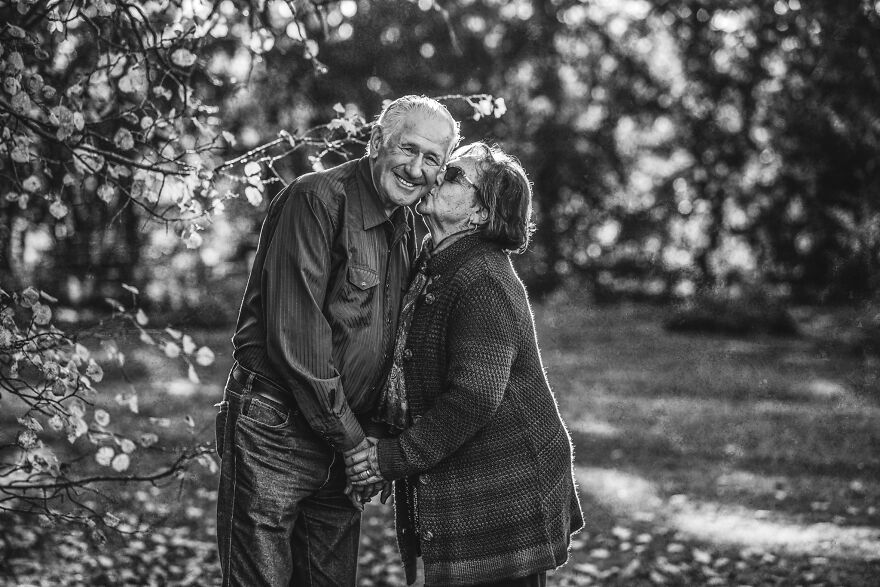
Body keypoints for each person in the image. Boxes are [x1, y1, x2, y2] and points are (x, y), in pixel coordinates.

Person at [215, 95, 460, 586]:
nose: (415, 168)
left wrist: (376, 440)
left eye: (432, 158)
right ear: (376, 143)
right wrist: (355, 445)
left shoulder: (411, 226)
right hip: (276, 429)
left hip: (347, 441)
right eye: (406, 149)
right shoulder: (317, 200)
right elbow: (296, 337)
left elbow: (396, 347)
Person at [344, 142, 584, 586]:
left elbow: (472, 399)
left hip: (508, 487)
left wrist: (390, 459)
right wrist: (379, 438)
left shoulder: (483, 279)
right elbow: (406, 371)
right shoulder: (435, 264)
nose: (434, 176)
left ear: (480, 213)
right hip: (474, 482)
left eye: (453, 175)